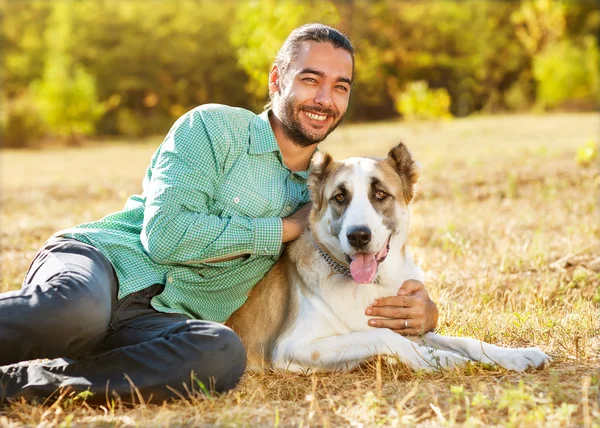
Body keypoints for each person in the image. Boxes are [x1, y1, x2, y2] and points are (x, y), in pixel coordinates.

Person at [0, 23, 438, 406]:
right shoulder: (213, 127)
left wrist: (423, 313)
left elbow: (364, 258)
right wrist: (286, 228)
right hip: (107, 263)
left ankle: (19, 386)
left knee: (218, 354)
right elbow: (166, 236)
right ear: (276, 79)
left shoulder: (333, 190)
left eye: (340, 86)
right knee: (74, 314)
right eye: (310, 79)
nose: (324, 98)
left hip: (164, 320)